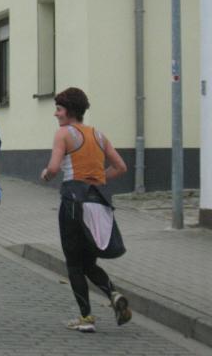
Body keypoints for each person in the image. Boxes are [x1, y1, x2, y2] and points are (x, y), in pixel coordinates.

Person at [40, 87, 131, 332]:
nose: (56, 114)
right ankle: (113, 294)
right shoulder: (98, 135)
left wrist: (46, 174)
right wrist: (97, 179)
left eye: (59, 109)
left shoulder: (63, 134)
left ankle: (86, 317)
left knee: (73, 263)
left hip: (73, 202)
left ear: (69, 111)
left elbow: (54, 168)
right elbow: (120, 166)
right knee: (89, 262)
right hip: (98, 202)